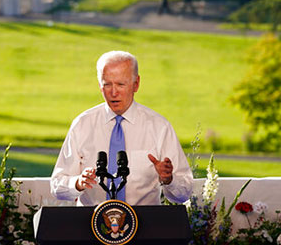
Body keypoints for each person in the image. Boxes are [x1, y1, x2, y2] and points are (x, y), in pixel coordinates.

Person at [50, 50, 193, 206]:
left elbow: (184, 194)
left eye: (120, 84)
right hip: (91, 224)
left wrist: (168, 179)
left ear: (136, 84)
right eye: (107, 84)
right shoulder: (82, 124)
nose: (113, 92)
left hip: (144, 224)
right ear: (99, 85)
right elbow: (57, 185)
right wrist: (77, 183)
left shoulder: (159, 127)